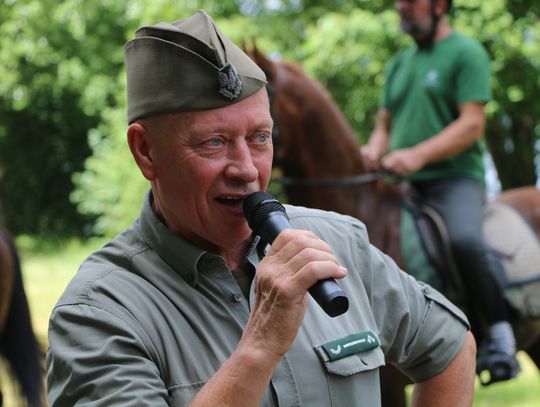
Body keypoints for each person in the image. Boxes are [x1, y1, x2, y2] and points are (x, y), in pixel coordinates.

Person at [47, 9, 476, 406]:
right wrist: (260, 345)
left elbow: (451, 348)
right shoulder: (97, 313)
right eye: (213, 142)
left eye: (260, 138)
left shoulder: (338, 242)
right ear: (146, 152)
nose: (248, 171)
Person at [361, 0, 519, 383]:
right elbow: (384, 125)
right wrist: (370, 151)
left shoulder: (466, 52)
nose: (402, 7)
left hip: (454, 180)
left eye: (411, 2)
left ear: (439, 6)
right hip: (401, 185)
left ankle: (499, 336)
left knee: (465, 240)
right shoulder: (399, 64)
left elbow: (471, 125)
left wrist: (416, 155)